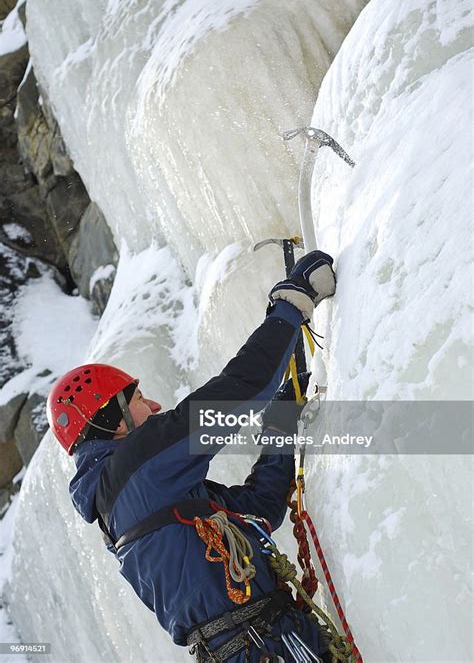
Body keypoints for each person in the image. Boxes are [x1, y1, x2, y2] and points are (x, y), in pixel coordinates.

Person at [47, 250, 336, 662]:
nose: (157, 406)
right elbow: (238, 391)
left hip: (252, 645)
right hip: (265, 643)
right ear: (114, 421)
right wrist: (291, 303)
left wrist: (279, 427)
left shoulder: (125, 504)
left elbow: (258, 511)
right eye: (141, 400)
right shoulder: (139, 464)